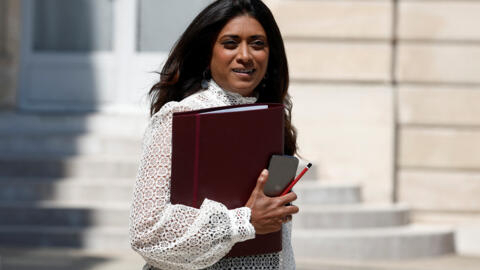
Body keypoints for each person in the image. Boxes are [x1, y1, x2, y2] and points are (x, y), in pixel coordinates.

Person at [129, 0, 299, 269]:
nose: (245, 55)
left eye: (257, 43)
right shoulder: (179, 119)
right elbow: (146, 233)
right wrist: (243, 221)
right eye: (230, 43)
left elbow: (278, 244)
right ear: (207, 53)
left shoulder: (271, 120)